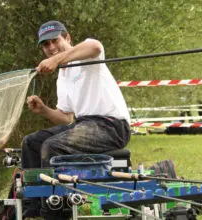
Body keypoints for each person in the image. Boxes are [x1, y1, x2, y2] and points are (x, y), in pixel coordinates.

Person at [17, 20, 131, 219]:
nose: (51, 47)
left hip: (111, 126)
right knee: (31, 142)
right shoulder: (63, 76)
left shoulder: (85, 55)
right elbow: (65, 117)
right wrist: (43, 109)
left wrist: (58, 59)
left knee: (51, 147)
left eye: (55, 40)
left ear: (67, 37)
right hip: (83, 124)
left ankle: (53, 211)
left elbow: (95, 47)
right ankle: (32, 207)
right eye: (46, 44)